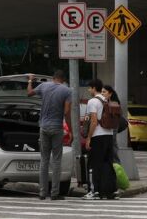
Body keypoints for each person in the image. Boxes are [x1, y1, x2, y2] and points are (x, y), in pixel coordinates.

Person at [27, 70, 72, 200]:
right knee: (57, 161)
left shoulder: (44, 86)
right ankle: (54, 193)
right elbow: (67, 112)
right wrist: (71, 130)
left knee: (44, 161)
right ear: (63, 79)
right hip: (57, 128)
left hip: (43, 127)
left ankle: (42, 193)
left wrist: (30, 80)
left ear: (53, 78)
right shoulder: (67, 91)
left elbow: (29, 93)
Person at [82, 79, 117, 200]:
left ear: (93, 88)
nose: (88, 90)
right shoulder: (106, 100)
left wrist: (89, 138)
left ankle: (94, 191)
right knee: (107, 164)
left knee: (94, 164)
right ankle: (110, 191)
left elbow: (93, 121)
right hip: (109, 135)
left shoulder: (93, 101)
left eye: (89, 88)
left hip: (98, 136)